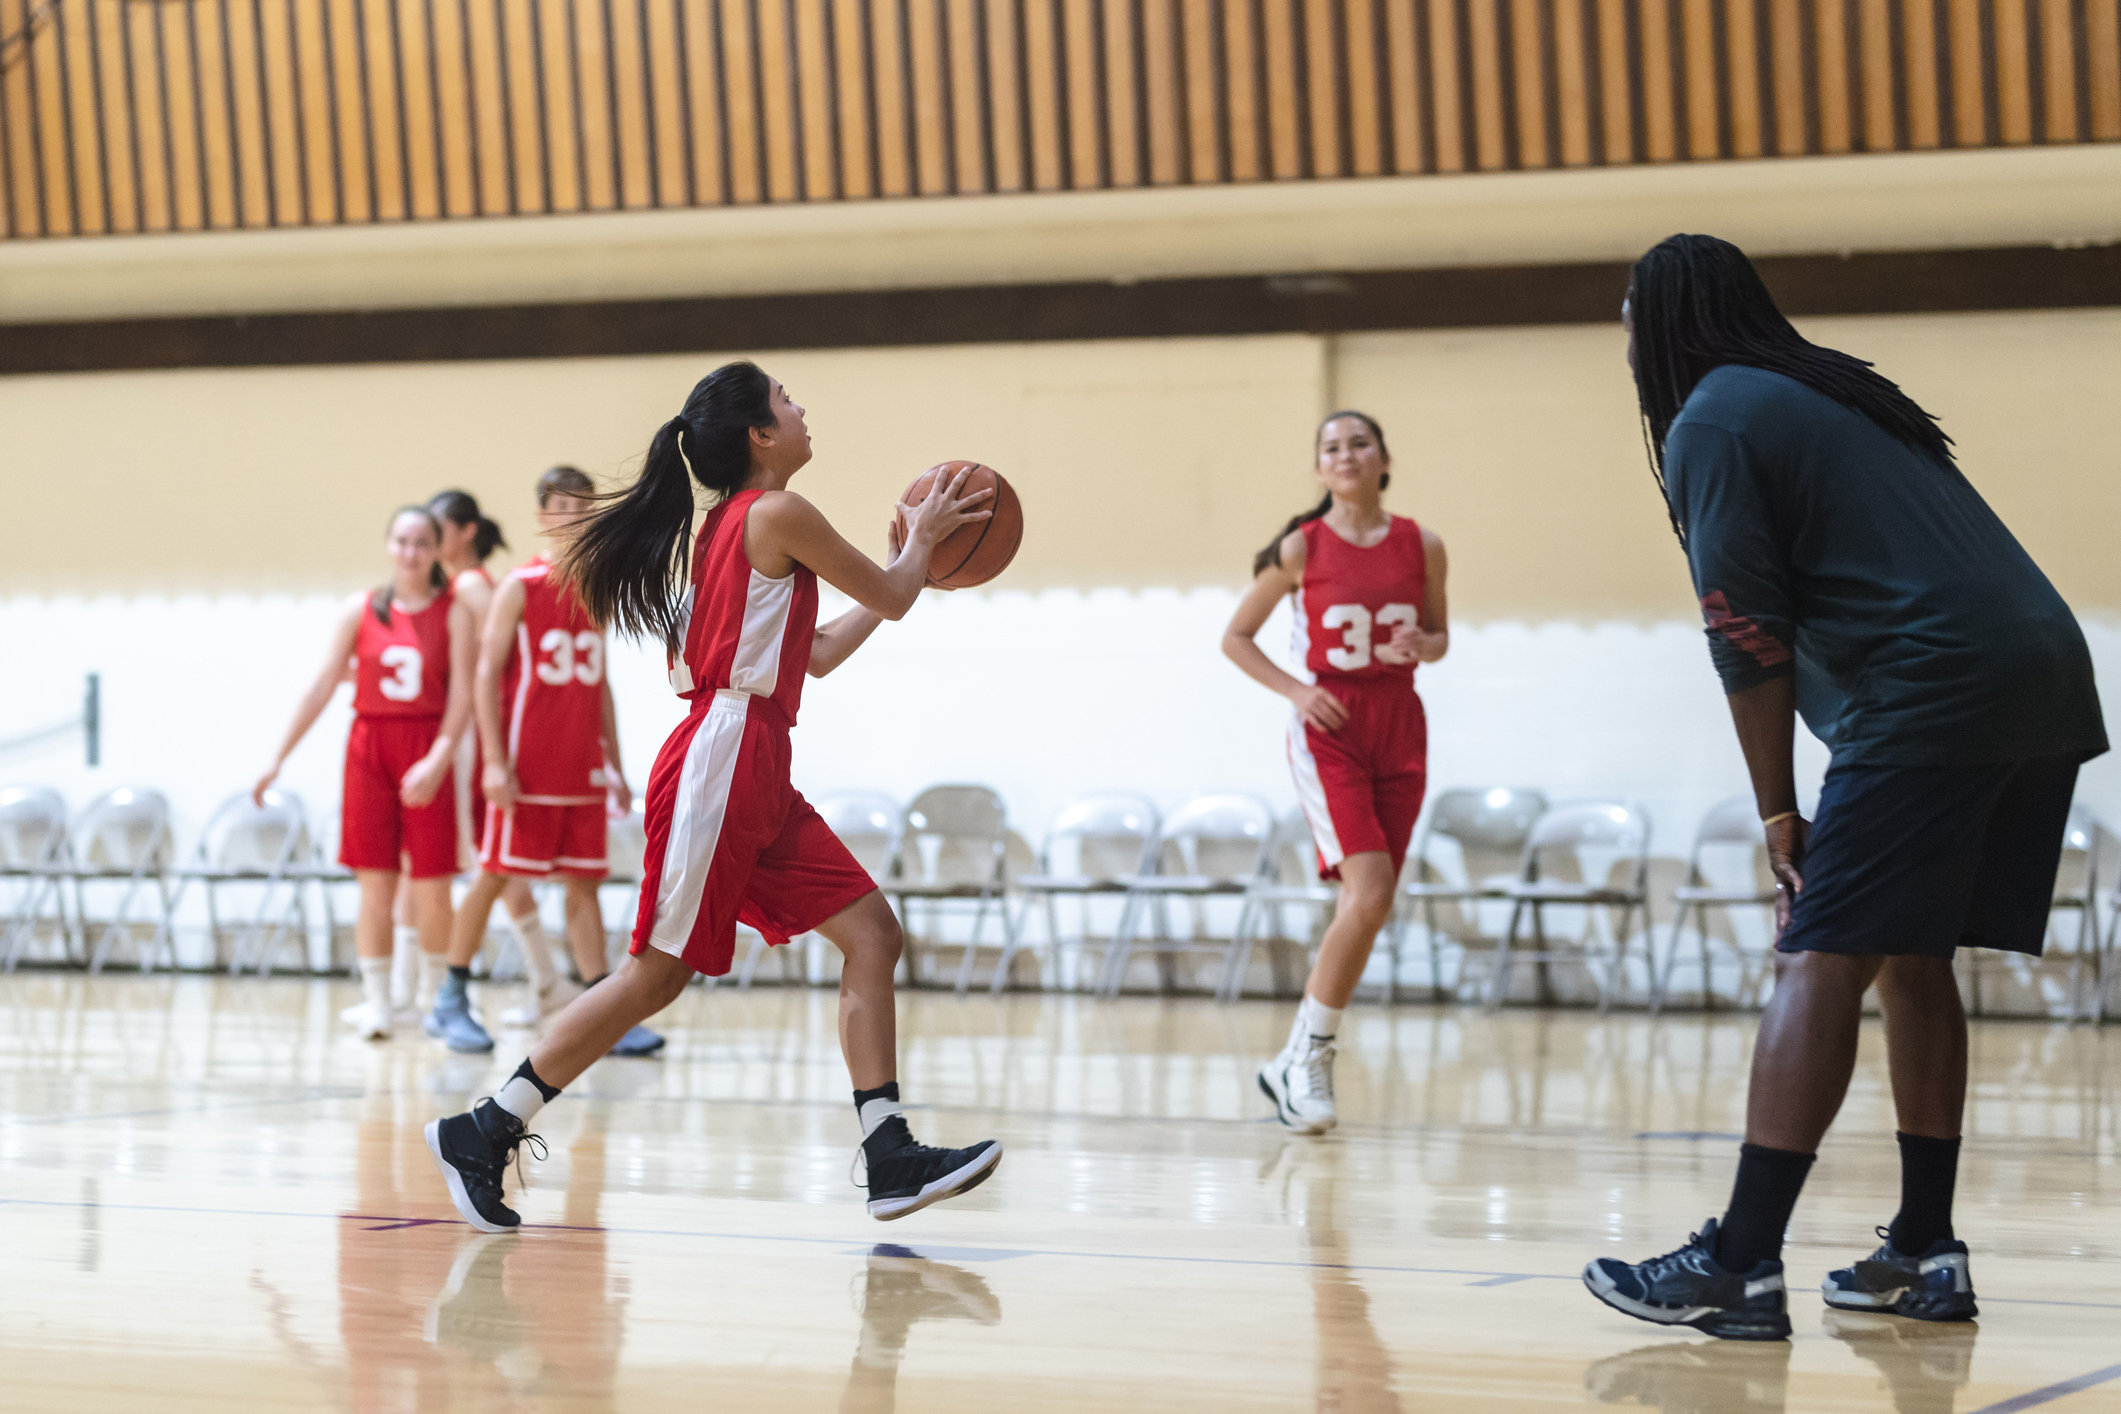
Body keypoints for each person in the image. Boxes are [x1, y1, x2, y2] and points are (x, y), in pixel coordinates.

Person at [1582, 234, 2106, 1340]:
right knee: (1913, 953)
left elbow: (1746, 635)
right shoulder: (1821, 389)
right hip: (2041, 672)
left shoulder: (1714, 417)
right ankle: (1924, 1250)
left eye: (1629, 312)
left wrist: (1780, 811)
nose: (1622, 336)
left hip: (1938, 683)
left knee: (1817, 951)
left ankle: (1739, 1261)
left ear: (1667, 320)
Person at [426, 360, 1003, 1231]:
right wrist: (918, 548)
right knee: (654, 977)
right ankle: (485, 1127)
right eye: (784, 399)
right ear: (759, 437)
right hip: (721, 757)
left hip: (756, 756)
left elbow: (814, 653)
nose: (801, 407)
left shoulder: (732, 528)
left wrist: (904, 565)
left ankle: (889, 1154)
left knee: (872, 933)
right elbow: (887, 596)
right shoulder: (775, 512)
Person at [1221, 411, 1449, 1133]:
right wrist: (1295, 690)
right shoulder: (1300, 547)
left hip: (1400, 722)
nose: (1345, 454)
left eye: (1358, 443)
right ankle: (1313, 1056)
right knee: (1370, 890)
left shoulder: (1424, 543)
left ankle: (1291, 1059)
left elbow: (1439, 639)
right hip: (1331, 727)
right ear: (1319, 471)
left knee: (1370, 904)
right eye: (1330, 447)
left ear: (1384, 458)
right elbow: (1234, 637)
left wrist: (1425, 642)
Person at [427, 467, 661, 1058]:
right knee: (495, 874)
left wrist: (616, 762)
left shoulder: (598, 586)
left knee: (584, 885)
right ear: (542, 516)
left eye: (583, 506)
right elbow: (484, 677)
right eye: (561, 506)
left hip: (578, 765)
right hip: (525, 765)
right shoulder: (519, 586)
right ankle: (450, 997)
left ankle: (601, 1014)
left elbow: (599, 682)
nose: (573, 516)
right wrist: (495, 762)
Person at [255, 506, 477, 1038]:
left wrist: (439, 757)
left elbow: (465, 694)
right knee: (374, 886)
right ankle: (379, 1002)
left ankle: (432, 1002)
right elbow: (324, 683)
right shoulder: (360, 610)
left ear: (434, 549)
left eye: (422, 542)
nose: (410, 551)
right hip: (369, 748)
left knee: (431, 887)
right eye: (402, 541)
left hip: (426, 746)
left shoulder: (455, 612)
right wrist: (277, 757)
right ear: (387, 545)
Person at [429, 489, 564, 1018]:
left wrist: (487, 754)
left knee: (488, 867)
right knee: (498, 870)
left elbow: (488, 675)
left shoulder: (472, 588)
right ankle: (547, 979)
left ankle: (438, 990)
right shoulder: (474, 585)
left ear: (463, 532)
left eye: (436, 528)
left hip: (484, 743)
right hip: (488, 743)